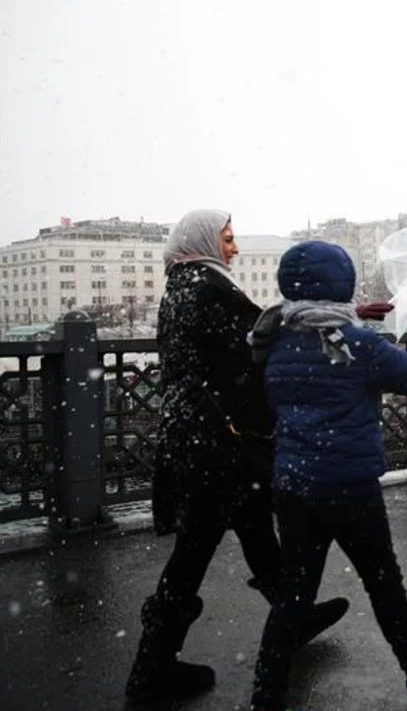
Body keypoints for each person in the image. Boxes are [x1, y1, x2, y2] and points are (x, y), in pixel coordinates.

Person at [126, 211, 348, 703]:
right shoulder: (205, 287)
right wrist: (329, 320)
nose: (234, 248)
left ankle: (294, 615)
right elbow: (258, 337)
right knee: (193, 553)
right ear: (204, 241)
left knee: (251, 525)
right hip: (214, 440)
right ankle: (151, 669)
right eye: (227, 239)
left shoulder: (181, 286)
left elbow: (246, 337)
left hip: (199, 433)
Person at [247, 240, 407, 711]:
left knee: (294, 592)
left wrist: (350, 316)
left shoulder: (274, 337)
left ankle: (265, 696)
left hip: (293, 486)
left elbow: (319, 344)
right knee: (383, 583)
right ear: (343, 283)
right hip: (349, 487)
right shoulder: (357, 344)